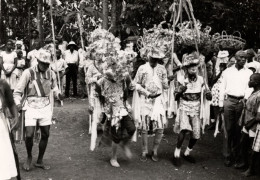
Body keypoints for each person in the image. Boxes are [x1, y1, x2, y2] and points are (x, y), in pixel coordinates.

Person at [13, 49, 62, 171]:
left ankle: (40, 160)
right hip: (30, 106)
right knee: (29, 135)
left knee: (46, 134)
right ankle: (29, 156)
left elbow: (55, 88)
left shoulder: (52, 74)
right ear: (38, 61)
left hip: (45, 106)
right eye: (43, 63)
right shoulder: (28, 73)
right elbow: (17, 92)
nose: (45, 66)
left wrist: (58, 94)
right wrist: (18, 104)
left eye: (47, 64)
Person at [173, 54, 212, 167]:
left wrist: (208, 94)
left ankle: (187, 152)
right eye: (191, 67)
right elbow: (175, 97)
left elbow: (208, 96)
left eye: (195, 66)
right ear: (186, 69)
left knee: (196, 134)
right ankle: (176, 153)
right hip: (184, 107)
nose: (194, 68)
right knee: (184, 130)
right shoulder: (181, 79)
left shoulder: (201, 80)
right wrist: (180, 90)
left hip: (196, 108)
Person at [132, 48, 169, 162]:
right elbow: (135, 84)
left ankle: (155, 150)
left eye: (157, 59)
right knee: (144, 127)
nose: (154, 60)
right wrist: (147, 93)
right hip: (145, 100)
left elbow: (166, 86)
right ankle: (144, 150)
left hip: (158, 101)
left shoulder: (162, 69)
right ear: (148, 57)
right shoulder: (142, 68)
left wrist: (167, 81)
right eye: (152, 58)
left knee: (160, 127)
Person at [96, 68, 136, 168]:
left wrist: (128, 78)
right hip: (112, 112)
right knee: (116, 136)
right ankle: (113, 158)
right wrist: (102, 109)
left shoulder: (123, 76)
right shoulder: (102, 81)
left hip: (123, 108)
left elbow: (132, 87)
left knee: (132, 129)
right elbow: (97, 93)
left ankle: (124, 144)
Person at [219, 50, 253, 167]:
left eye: (245, 58)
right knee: (228, 129)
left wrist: (246, 98)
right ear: (236, 58)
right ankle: (227, 156)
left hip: (241, 102)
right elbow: (222, 87)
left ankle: (236, 155)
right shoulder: (227, 72)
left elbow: (249, 88)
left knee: (238, 130)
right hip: (229, 101)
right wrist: (220, 104)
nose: (243, 60)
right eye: (241, 58)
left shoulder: (249, 72)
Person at [233, 73, 260, 177]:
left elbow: (258, 115)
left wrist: (250, 124)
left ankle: (251, 168)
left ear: (256, 82)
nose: (249, 81)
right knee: (243, 143)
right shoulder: (253, 92)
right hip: (247, 122)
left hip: (253, 124)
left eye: (251, 80)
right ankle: (244, 162)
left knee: (253, 148)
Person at [0, 79, 20, 180]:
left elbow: (11, 103)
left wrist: (16, 117)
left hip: (1, 126)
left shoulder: (3, 84)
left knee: (3, 154)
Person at [86, 50, 103, 151]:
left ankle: (103, 125)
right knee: (93, 107)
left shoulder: (105, 65)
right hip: (94, 90)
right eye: (97, 54)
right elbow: (87, 79)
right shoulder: (91, 66)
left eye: (100, 54)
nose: (98, 56)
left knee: (103, 108)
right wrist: (96, 78)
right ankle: (92, 126)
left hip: (104, 90)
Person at [209, 51, 229, 130]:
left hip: (223, 90)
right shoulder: (217, 69)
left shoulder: (228, 70)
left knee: (221, 107)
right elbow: (213, 80)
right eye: (220, 58)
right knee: (214, 107)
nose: (222, 60)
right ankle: (214, 123)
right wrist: (220, 71)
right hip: (215, 90)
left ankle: (220, 124)